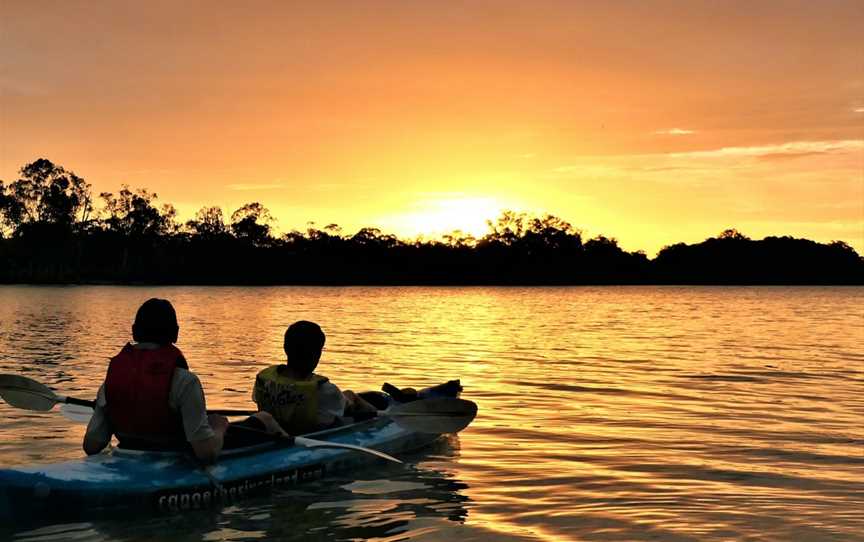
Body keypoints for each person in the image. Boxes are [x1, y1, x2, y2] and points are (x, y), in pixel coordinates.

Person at [83, 298, 285, 463]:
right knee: (264, 418)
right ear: (176, 333)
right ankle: (295, 453)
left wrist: (106, 411)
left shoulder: (111, 382)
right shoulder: (185, 381)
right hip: (175, 455)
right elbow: (206, 453)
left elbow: (92, 446)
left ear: (134, 331)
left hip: (129, 454)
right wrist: (219, 428)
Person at [252, 320, 376, 435]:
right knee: (356, 404)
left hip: (274, 432)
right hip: (311, 434)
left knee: (348, 395)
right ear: (318, 354)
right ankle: (372, 414)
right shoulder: (324, 390)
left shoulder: (264, 379)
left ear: (285, 348)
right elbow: (358, 410)